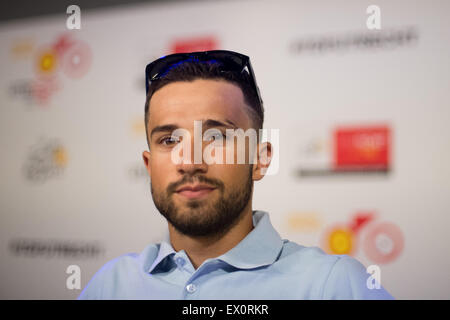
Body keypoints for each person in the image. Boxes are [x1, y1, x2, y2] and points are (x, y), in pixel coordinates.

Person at [78, 50, 393, 299]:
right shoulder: (110, 285)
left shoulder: (332, 285)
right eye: (169, 140)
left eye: (215, 137)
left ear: (259, 159)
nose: (189, 162)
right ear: (149, 166)